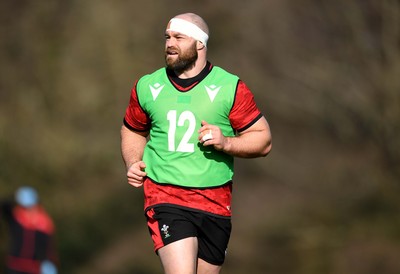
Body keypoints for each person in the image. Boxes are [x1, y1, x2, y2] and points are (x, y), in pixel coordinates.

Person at [121, 12, 272, 274]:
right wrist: (134, 161)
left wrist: (226, 143)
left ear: (200, 43)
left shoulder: (229, 87)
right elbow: (132, 129)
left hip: (215, 201)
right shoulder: (148, 86)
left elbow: (263, 140)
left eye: (179, 37)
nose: (170, 43)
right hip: (165, 196)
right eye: (167, 37)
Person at [0, 186, 58, 274]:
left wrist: (49, 262)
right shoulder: (15, 219)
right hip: (15, 266)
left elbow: (48, 248)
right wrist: (13, 196)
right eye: (24, 207)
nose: (28, 210)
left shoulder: (44, 222)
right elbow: (4, 205)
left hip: (34, 268)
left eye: (30, 206)